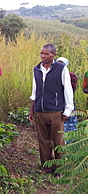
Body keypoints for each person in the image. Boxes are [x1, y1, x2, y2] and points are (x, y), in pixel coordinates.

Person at [28, 44, 74, 176]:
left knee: (58, 141)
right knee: (43, 140)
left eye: (46, 54)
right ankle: (47, 166)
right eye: (41, 53)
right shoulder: (36, 69)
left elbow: (67, 90)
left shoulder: (61, 69)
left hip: (55, 112)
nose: (43, 56)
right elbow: (34, 92)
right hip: (40, 111)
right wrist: (32, 110)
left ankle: (59, 169)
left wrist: (67, 110)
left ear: (53, 55)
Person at [56, 57, 78, 132]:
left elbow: (72, 89)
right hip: (56, 101)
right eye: (58, 62)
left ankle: (70, 139)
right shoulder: (52, 75)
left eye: (61, 63)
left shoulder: (71, 75)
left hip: (67, 100)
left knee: (69, 119)